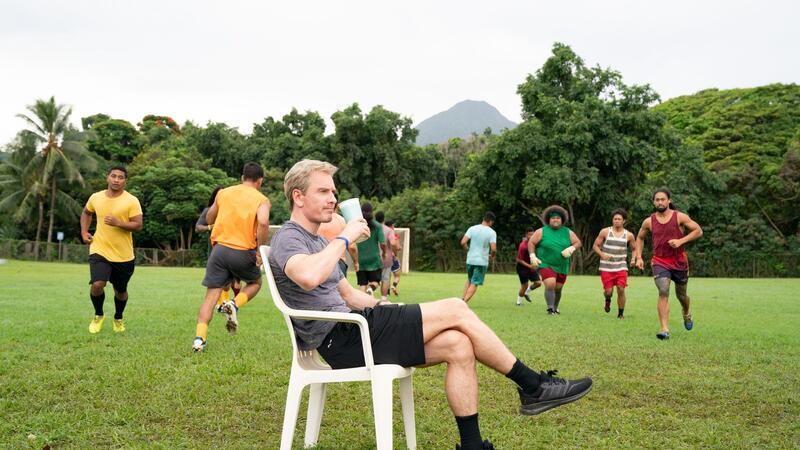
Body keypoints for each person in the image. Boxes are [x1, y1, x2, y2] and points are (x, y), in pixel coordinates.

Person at [268, 160, 593, 450]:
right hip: (345, 339)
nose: (333, 199)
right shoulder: (289, 238)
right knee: (456, 307)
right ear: (298, 196)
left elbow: (350, 296)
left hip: (360, 326)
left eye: (333, 191)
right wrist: (343, 238)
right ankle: (532, 385)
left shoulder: (314, 240)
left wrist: (387, 305)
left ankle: (472, 445)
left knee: (458, 344)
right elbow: (308, 277)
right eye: (323, 191)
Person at [192, 162, 271, 352]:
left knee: (210, 297)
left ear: (242, 177)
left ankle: (199, 339)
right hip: (243, 251)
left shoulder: (223, 193)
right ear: (260, 181)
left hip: (219, 251)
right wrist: (259, 249)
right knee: (255, 283)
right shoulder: (262, 199)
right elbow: (263, 221)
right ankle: (234, 304)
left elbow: (209, 219)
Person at [80, 166, 143, 334]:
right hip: (99, 249)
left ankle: (118, 317)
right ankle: (98, 315)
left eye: (120, 177)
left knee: (120, 291)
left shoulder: (131, 200)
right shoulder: (96, 197)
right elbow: (87, 213)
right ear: (107, 178)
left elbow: (138, 225)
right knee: (97, 284)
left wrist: (119, 223)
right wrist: (84, 232)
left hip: (124, 255)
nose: (116, 179)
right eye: (113, 176)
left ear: (125, 181)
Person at [634, 188, 703, 340]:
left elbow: (698, 231)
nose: (660, 202)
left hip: (679, 261)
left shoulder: (679, 217)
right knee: (663, 291)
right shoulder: (649, 221)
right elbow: (640, 238)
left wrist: (681, 241)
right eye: (657, 200)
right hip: (660, 261)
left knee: (682, 295)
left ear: (669, 201)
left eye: (662, 199)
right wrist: (639, 257)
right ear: (653, 202)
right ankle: (664, 329)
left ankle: (686, 313)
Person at [528, 205, 582, 315]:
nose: (555, 220)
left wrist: (571, 248)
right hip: (546, 263)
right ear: (548, 220)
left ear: (562, 219)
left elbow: (578, 243)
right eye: (553, 218)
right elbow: (531, 243)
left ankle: (555, 307)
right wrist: (532, 256)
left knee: (558, 288)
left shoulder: (568, 232)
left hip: (562, 265)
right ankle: (550, 308)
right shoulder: (541, 231)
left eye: (558, 218)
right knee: (550, 284)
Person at [196, 186, 240, 306]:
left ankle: (231, 301)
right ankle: (222, 303)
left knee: (232, 281)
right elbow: (198, 227)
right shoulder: (208, 211)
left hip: (232, 247)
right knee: (219, 279)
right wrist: (210, 226)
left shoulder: (231, 211)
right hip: (215, 249)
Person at [591, 209, 636, 319]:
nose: (616, 221)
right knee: (609, 292)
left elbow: (634, 249)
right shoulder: (605, 232)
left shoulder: (629, 235)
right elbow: (595, 246)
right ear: (612, 220)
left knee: (621, 289)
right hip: (606, 267)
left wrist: (634, 259)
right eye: (615, 219)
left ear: (623, 221)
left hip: (621, 266)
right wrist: (602, 254)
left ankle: (620, 314)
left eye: (619, 219)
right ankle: (607, 299)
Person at [460, 212, 497, 303]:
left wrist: (468, 249)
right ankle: (464, 303)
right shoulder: (491, 232)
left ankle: (461, 299)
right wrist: (492, 256)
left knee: (469, 279)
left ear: (484, 219)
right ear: (491, 221)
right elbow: (493, 249)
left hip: (470, 259)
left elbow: (463, 242)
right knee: (475, 283)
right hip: (481, 261)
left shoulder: (472, 228)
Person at [318, 209, 359, 278]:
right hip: (338, 261)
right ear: (337, 206)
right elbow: (352, 247)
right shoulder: (342, 221)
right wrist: (355, 262)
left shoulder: (316, 220)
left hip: (319, 262)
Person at [355, 202, 385, 296]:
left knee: (362, 284)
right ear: (372, 212)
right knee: (375, 281)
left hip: (360, 259)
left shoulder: (357, 225)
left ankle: (361, 306)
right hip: (374, 260)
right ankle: (371, 289)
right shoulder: (377, 226)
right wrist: (384, 253)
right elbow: (383, 243)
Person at [376, 211, 400, 302]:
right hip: (386, 258)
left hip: (374, 258)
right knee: (385, 279)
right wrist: (395, 253)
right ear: (383, 219)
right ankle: (383, 299)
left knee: (373, 279)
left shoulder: (372, 229)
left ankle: (369, 292)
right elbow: (393, 243)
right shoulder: (388, 230)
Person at [515, 228, 542, 306]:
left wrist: (537, 260)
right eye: (530, 234)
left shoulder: (535, 243)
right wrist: (530, 266)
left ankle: (526, 292)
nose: (531, 236)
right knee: (524, 285)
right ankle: (518, 302)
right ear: (526, 235)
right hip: (522, 268)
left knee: (538, 283)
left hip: (531, 267)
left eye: (533, 234)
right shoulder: (523, 246)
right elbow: (519, 260)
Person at [385, 219, 402, 296]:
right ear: (392, 226)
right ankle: (394, 286)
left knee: (387, 276)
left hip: (384, 257)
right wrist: (399, 248)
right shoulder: (394, 235)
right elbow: (397, 246)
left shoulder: (382, 234)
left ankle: (387, 292)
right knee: (397, 275)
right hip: (393, 257)